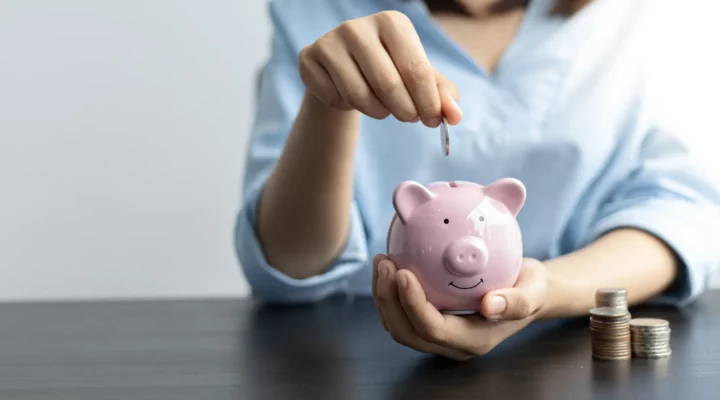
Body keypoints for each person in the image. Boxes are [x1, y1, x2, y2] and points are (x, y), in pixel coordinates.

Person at [234, 0, 720, 360]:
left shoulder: (637, 16)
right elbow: (289, 263)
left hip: (571, 353)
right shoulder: (316, 9)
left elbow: (682, 212)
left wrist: (547, 289)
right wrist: (329, 103)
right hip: (357, 358)